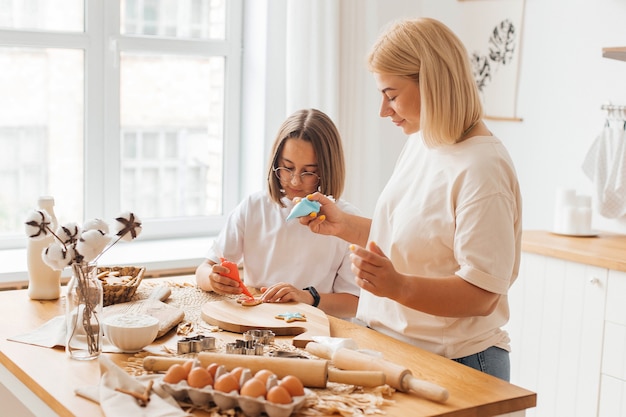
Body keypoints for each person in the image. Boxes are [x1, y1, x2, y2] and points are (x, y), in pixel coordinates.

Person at [299, 18, 522, 381]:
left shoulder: (483, 168)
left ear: (433, 83)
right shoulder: (424, 141)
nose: (383, 110)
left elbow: (483, 295)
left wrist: (398, 286)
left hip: (456, 364)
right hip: (397, 350)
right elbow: (420, 241)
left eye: (391, 94)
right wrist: (345, 226)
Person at [195, 108, 360, 318]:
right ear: (276, 163)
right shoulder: (255, 206)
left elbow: (353, 302)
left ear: (327, 170)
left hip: (313, 328)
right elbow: (204, 268)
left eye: (309, 171)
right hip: (255, 322)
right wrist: (212, 279)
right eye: (287, 167)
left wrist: (306, 297)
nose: (294, 181)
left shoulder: (346, 220)